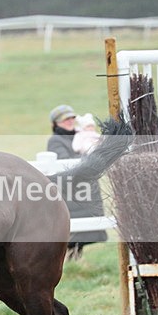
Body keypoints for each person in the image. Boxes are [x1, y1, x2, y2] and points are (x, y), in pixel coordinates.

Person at [46, 104, 107, 257]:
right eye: (64, 119)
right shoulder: (55, 141)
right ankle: (73, 263)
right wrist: (88, 159)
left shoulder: (82, 135)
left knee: (82, 232)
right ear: (56, 123)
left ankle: (77, 262)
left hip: (84, 189)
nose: (69, 121)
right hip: (71, 192)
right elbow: (65, 163)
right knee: (72, 231)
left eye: (71, 118)